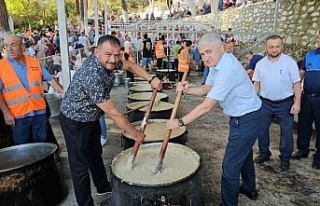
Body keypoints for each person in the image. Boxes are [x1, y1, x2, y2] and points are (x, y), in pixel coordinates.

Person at [59, 35, 162, 206]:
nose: (113, 60)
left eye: (116, 55)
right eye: (108, 55)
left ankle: (102, 186)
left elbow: (129, 65)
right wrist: (135, 133)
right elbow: (113, 113)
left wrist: (151, 79)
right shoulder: (92, 76)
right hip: (74, 120)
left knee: (95, 153)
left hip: (91, 116)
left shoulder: (113, 60)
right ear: (96, 52)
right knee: (79, 167)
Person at [167, 32, 262, 206]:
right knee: (244, 154)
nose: (205, 58)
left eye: (209, 52)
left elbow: (207, 106)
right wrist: (188, 89)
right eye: (202, 54)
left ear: (222, 48)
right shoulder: (216, 64)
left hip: (248, 118)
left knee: (230, 168)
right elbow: (206, 88)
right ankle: (250, 188)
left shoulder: (228, 69)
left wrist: (180, 122)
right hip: (241, 116)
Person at [0, 35, 63, 145]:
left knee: (42, 145)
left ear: (23, 46)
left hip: (39, 112)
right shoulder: (1, 66)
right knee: (23, 148)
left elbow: (50, 80)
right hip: (18, 115)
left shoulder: (34, 62)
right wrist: (6, 113)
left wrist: (66, 93)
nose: (9, 49)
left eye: (13, 45)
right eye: (6, 46)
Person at [252, 35, 301, 171]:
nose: (274, 49)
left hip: (285, 103)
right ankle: (264, 153)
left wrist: (297, 103)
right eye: (271, 47)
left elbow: (297, 84)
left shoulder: (289, 62)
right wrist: (252, 101)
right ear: (266, 48)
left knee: (286, 132)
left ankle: (285, 158)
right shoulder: (260, 64)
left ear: (282, 46)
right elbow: (256, 84)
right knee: (261, 130)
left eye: (277, 46)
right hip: (265, 103)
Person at [292, 34, 320, 169]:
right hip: (307, 97)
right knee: (303, 125)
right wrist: (295, 92)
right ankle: (303, 151)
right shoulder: (310, 55)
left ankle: (318, 157)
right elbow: (301, 74)